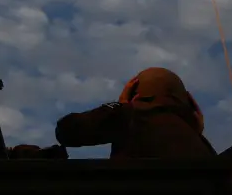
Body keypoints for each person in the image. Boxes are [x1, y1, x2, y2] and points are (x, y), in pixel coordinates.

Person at [54, 67, 217, 160]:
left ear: (135, 92)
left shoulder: (131, 115)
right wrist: (196, 134)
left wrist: (119, 106)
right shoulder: (205, 149)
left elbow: (66, 131)